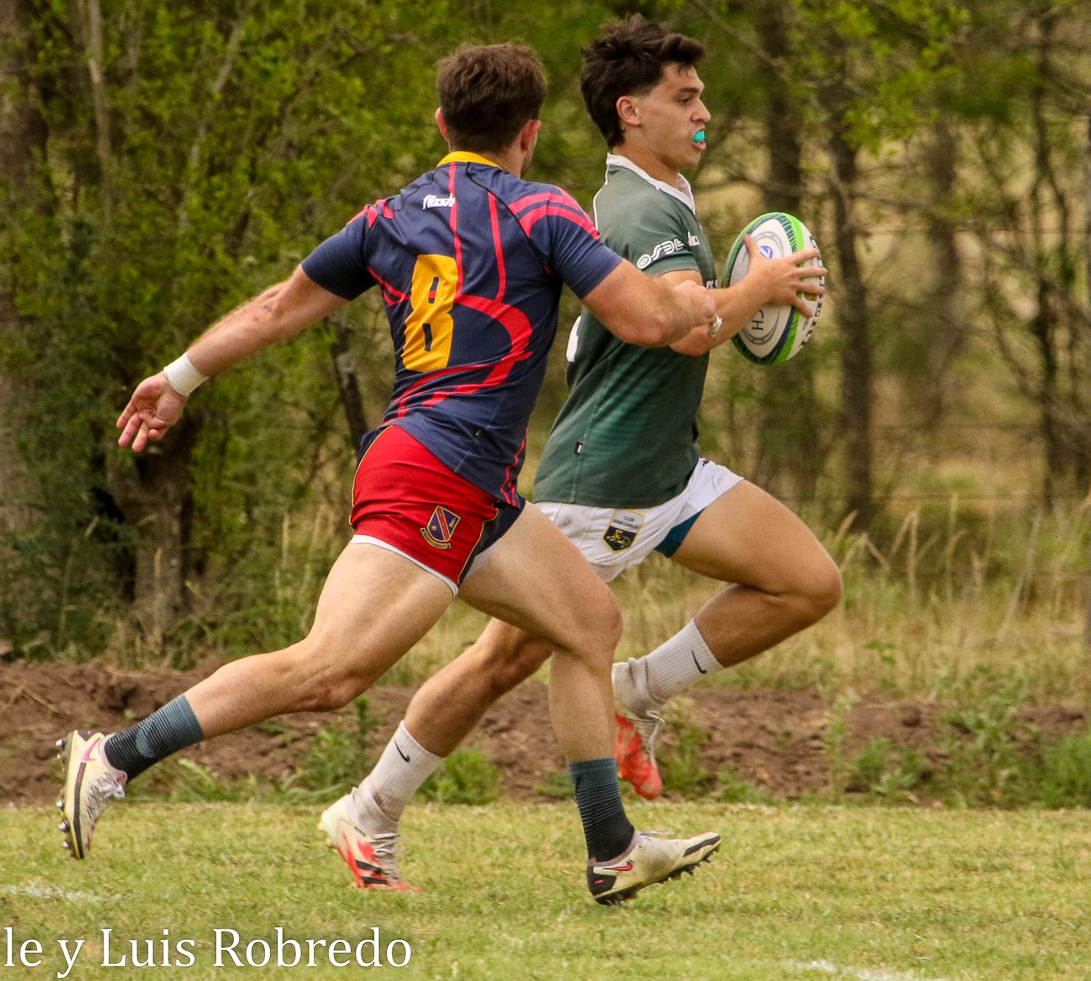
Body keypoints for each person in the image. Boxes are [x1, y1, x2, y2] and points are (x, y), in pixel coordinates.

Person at [56, 42, 723, 906]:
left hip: (472, 481)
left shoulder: (389, 216)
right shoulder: (543, 210)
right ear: (531, 132)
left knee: (589, 623)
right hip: (436, 471)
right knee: (329, 672)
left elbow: (275, 308)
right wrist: (726, 298)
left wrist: (179, 377)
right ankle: (111, 756)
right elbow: (642, 321)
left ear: (442, 125)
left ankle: (611, 848)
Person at [323, 15, 841, 889]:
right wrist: (761, 289)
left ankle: (638, 691)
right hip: (601, 481)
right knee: (500, 661)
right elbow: (683, 327)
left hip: (668, 469)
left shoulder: (658, 195)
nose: (703, 111)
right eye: (686, 98)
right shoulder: (638, 207)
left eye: (703, 95)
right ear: (631, 112)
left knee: (807, 580)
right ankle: (369, 807)